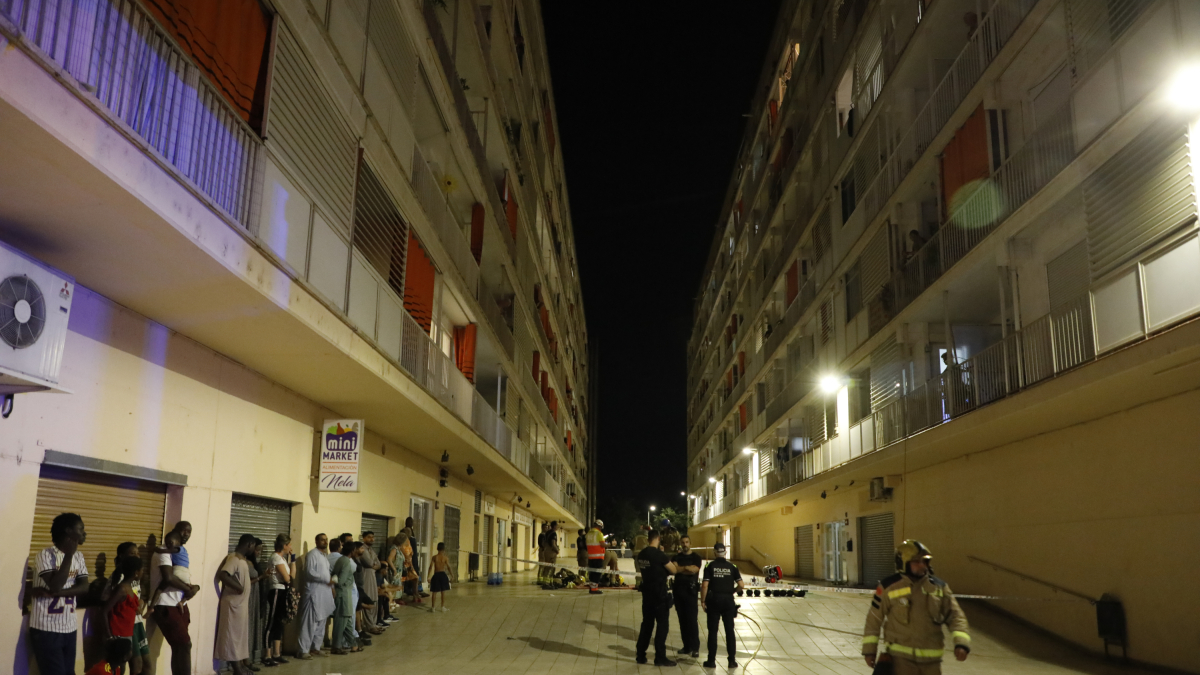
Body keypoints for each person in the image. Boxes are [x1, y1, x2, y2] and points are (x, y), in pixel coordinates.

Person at [862, 540, 971, 675]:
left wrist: (961, 643)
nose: (922, 566)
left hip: (931, 662)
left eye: (924, 561)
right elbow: (874, 619)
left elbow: (955, 616)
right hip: (900, 661)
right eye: (916, 562)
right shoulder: (888, 587)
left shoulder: (939, 587)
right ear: (904, 563)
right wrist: (869, 650)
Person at [29, 513, 90, 675]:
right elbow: (55, 585)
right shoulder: (45, 555)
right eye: (81, 529)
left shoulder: (79, 556)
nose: (85, 533)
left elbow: (84, 587)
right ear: (69, 531)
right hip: (46, 628)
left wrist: (56, 594)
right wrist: (69, 554)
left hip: (69, 626)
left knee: (69, 672)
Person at [152, 522, 200, 675]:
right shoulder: (164, 552)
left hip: (177, 603)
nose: (187, 534)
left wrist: (191, 588)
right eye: (183, 531)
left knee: (178, 647)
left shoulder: (179, 552)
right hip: (166, 604)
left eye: (189, 532)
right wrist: (188, 589)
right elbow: (168, 577)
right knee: (185, 645)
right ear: (175, 532)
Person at [635, 528, 679, 666]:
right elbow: (673, 570)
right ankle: (660, 657)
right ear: (659, 538)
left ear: (648, 539)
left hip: (646, 593)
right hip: (659, 594)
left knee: (646, 625)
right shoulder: (659, 555)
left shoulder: (642, 554)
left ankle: (640, 655)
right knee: (662, 626)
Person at [215, 534, 256, 675]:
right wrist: (238, 587)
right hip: (233, 604)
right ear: (249, 544)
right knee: (232, 637)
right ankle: (237, 669)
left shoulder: (241, 559)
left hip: (239, 606)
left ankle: (239, 666)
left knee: (239, 638)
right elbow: (223, 575)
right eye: (254, 546)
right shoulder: (234, 558)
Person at [701, 541, 744, 669]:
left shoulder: (709, 566)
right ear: (725, 552)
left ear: (714, 552)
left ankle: (711, 661)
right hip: (728, 601)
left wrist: (703, 601)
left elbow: (704, 585)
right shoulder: (733, 566)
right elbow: (741, 585)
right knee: (729, 631)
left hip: (714, 601)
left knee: (713, 632)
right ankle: (732, 661)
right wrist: (732, 591)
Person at [101, 556, 144, 674]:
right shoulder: (121, 590)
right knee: (115, 668)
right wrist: (110, 637)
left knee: (121, 669)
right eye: (141, 570)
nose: (143, 572)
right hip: (117, 635)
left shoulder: (129, 588)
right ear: (136, 573)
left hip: (126, 634)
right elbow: (105, 611)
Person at [296, 534, 335, 660]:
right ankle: (303, 650)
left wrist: (331, 587)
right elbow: (309, 573)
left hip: (324, 594)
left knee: (321, 623)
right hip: (314, 594)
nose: (325, 542)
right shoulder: (312, 554)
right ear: (316, 541)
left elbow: (327, 573)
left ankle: (315, 648)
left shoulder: (324, 556)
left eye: (326, 540)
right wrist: (326, 579)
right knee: (309, 623)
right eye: (322, 539)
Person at [113, 543, 151, 670]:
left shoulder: (135, 575)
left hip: (138, 623)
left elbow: (140, 594)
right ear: (122, 556)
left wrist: (141, 602)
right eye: (132, 553)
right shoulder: (119, 578)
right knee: (136, 663)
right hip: (127, 625)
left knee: (147, 663)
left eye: (137, 553)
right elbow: (110, 601)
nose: (136, 556)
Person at [262, 534, 295, 666]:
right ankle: (267, 655)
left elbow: (293, 576)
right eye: (289, 545)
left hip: (283, 591)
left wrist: (293, 559)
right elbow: (287, 578)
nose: (291, 547)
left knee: (279, 623)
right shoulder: (276, 558)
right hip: (276, 590)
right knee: (271, 622)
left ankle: (277, 653)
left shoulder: (282, 559)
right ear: (284, 545)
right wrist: (290, 578)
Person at [673, 536, 703, 658]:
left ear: (690, 543)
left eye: (686, 542)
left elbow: (694, 570)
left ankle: (695, 648)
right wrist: (686, 568)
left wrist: (682, 568)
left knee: (692, 620)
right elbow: (674, 569)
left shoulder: (696, 557)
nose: (685, 544)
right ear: (680, 544)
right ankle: (686, 646)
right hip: (678, 591)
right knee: (682, 620)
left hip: (691, 592)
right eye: (683, 543)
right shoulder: (676, 557)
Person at [330, 542, 362, 654]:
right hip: (344, 594)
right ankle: (336, 646)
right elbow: (341, 581)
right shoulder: (347, 562)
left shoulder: (340, 560)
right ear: (352, 551)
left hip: (343, 594)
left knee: (347, 620)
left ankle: (353, 644)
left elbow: (334, 574)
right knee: (341, 621)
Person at [357, 532, 382, 630]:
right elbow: (369, 562)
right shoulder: (362, 549)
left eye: (373, 537)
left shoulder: (371, 550)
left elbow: (378, 564)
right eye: (369, 537)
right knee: (369, 598)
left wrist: (374, 564)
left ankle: (374, 623)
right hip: (366, 576)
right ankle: (369, 625)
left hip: (372, 575)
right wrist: (373, 564)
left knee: (375, 598)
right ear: (364, 538)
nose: (372, 539)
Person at [426, 542, 451, 612]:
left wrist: (428, 576)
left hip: (436, 574)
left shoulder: (434, 557)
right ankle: (442, 607)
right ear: (444, 549)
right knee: (443, 592)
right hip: (443, 574)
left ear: (437, 549)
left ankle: (433, 607)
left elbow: (430, 567)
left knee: (434, 592)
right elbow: (448, 567)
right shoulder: (445, 558)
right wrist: (452, 575)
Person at [585, 519, 605, 594]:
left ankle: (592, 588)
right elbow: (602, 544)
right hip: (598, 557)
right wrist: (610, 544)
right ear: (599, 526)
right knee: (597, 573)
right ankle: (594, 589)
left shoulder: (588, 533)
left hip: (590, 557)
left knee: (592, 573)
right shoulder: (599, 533)